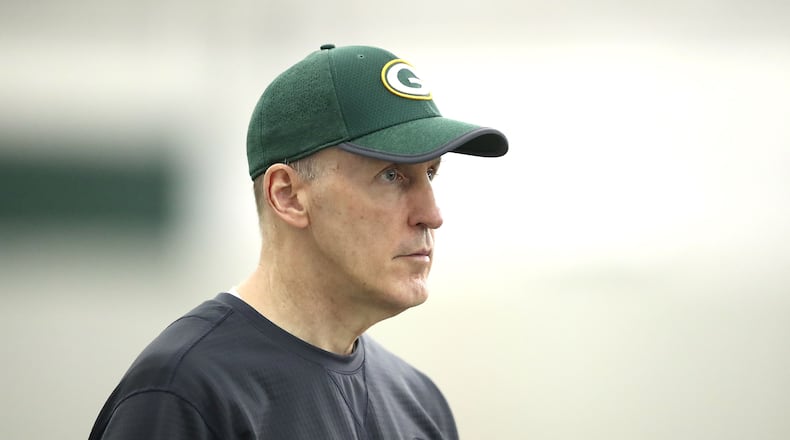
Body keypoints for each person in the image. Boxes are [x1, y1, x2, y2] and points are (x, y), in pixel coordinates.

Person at [88, 43, 508, 440]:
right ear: (287, 195)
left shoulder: (419, 405)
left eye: (430, 174)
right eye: (391, 175)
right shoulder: (185, 392)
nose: (432, 215)